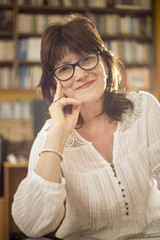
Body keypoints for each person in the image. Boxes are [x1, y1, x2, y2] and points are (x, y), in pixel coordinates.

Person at [12, 14, 160, 240]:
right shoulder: (50, 136)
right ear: (54, 82)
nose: (80, 74)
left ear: (104, 61)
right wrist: (59, 133)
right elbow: (32, 225)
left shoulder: (144, 109)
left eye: (86, 58)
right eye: (63, 69)